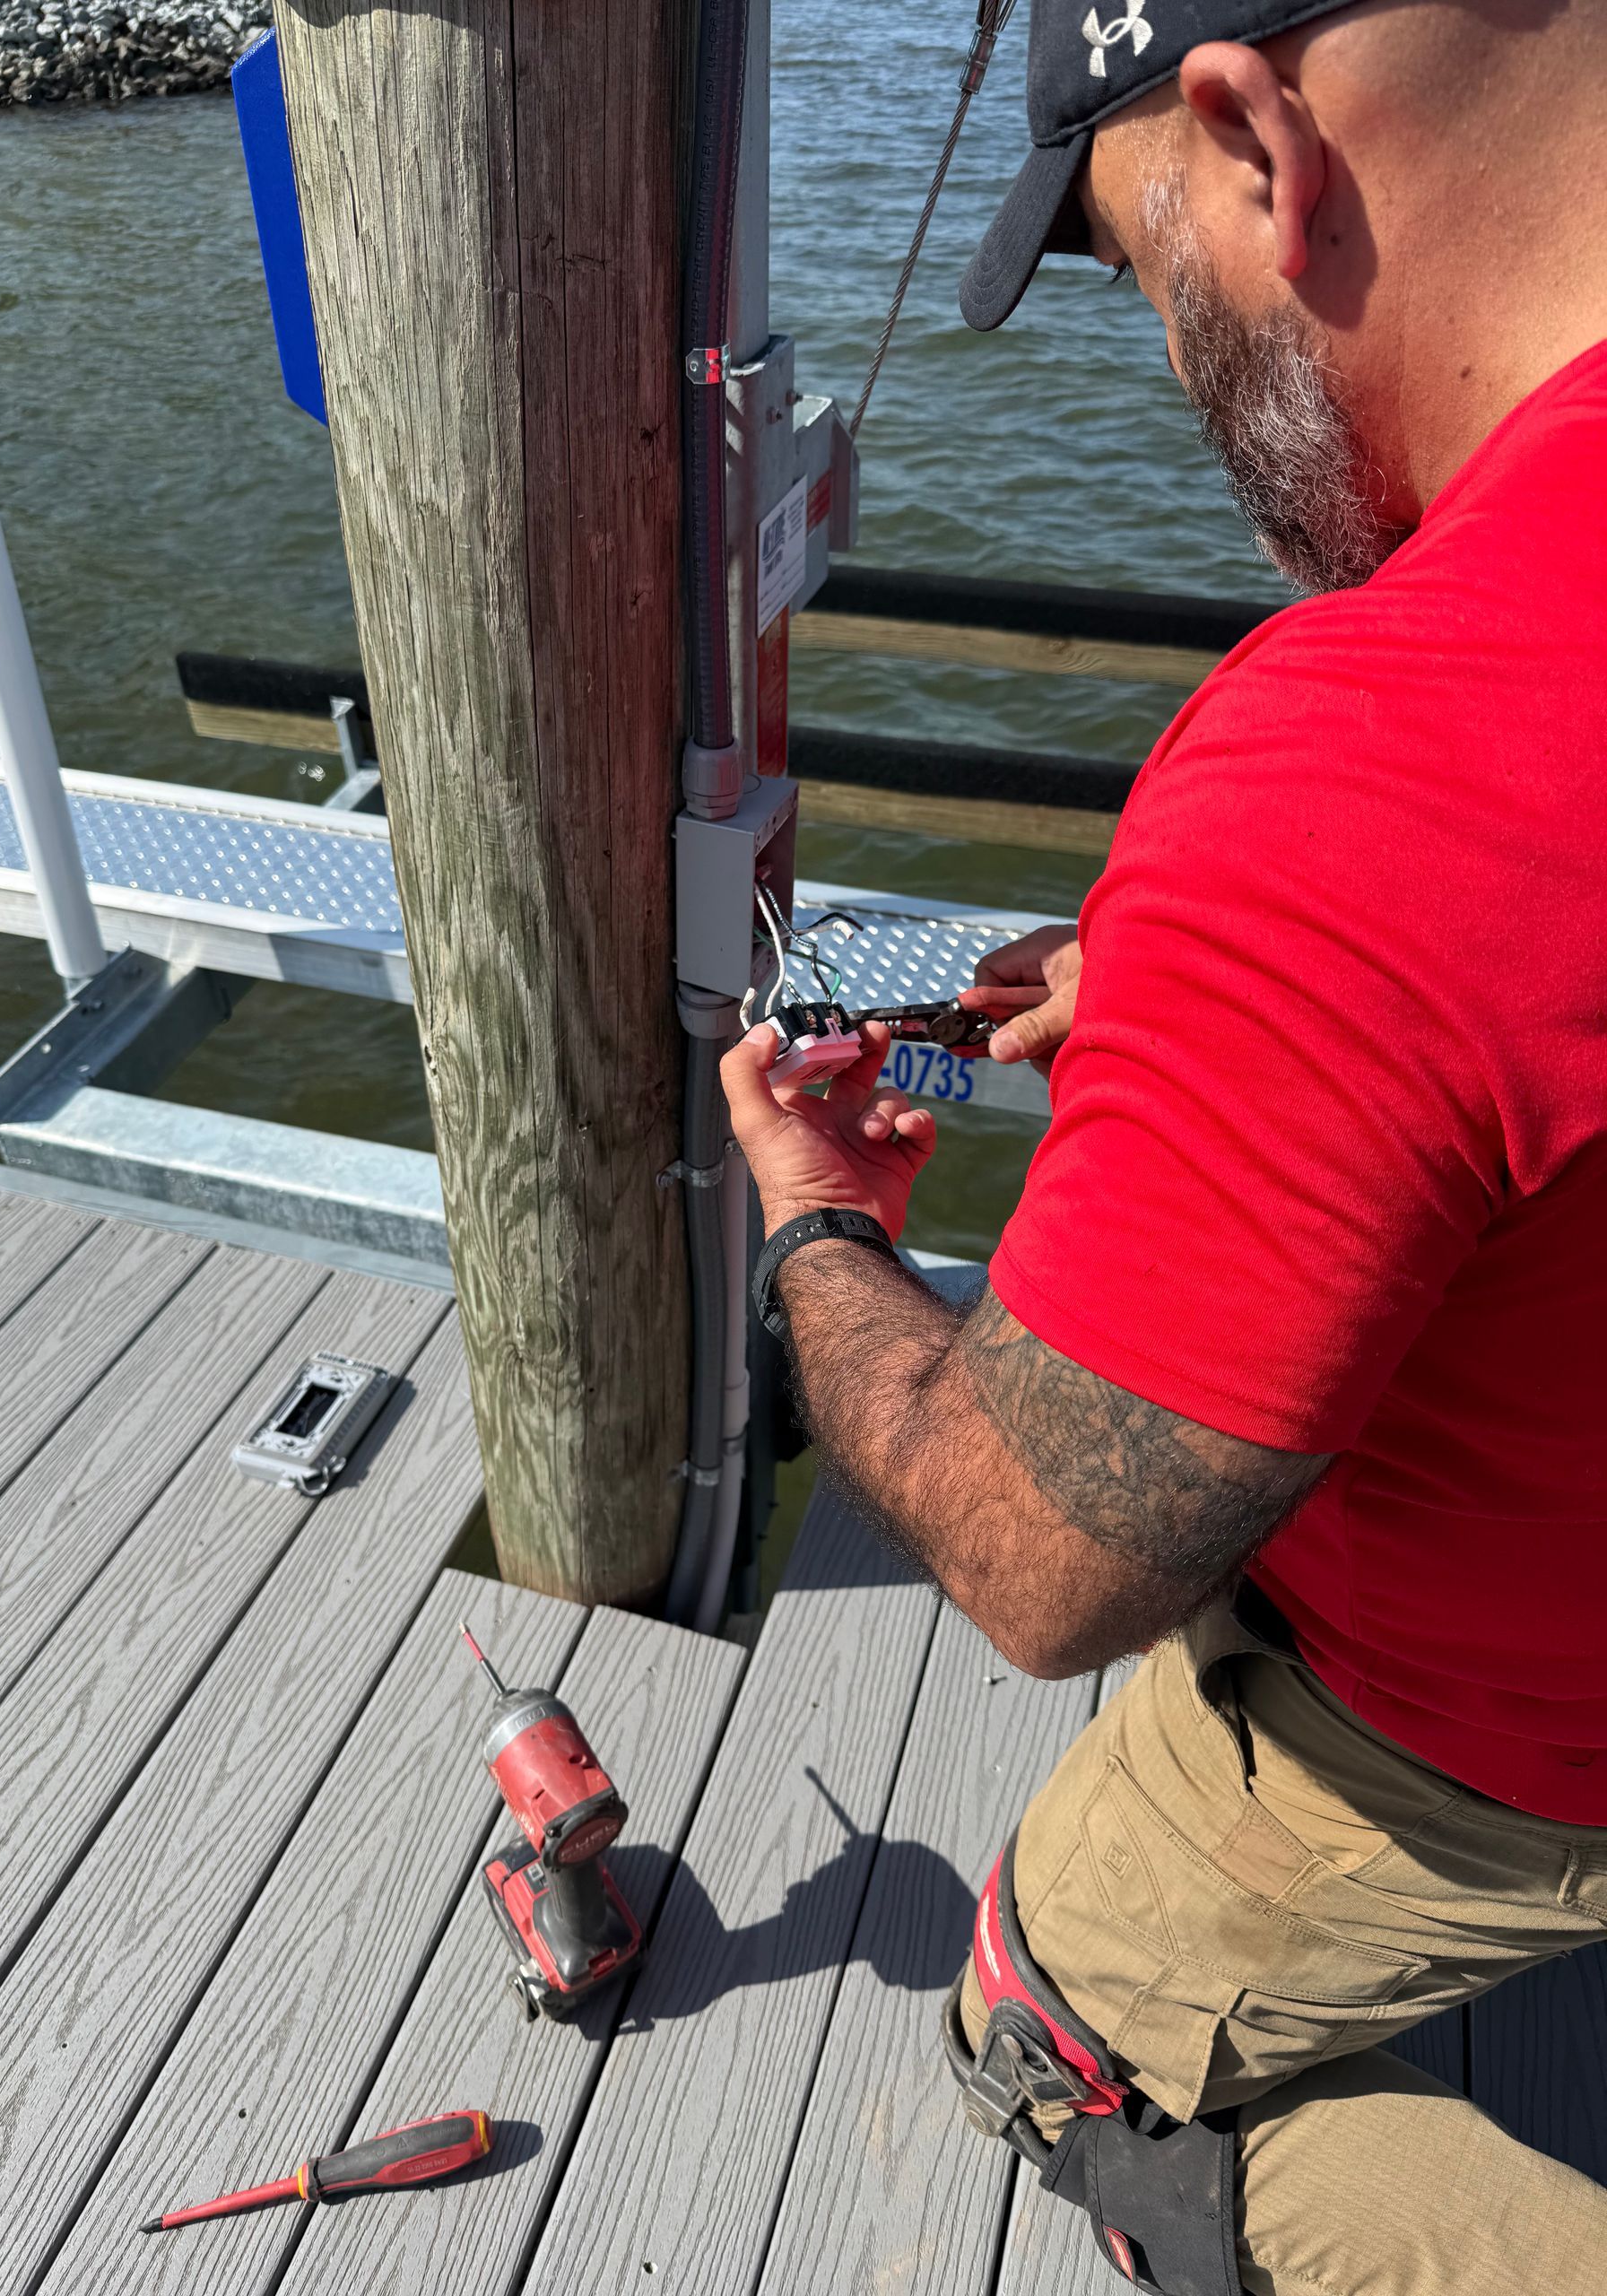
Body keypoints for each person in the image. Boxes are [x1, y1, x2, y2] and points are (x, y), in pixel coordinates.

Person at [719, 0, 1607, 2287]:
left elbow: (1036, 1561)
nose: (1171, 359)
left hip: (1517, 1743)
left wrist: (819, 1231)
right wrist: (1220, 1011)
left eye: (1136, 264)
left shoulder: (1375, 770)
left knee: (1046, 2037)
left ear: (1252, 138)